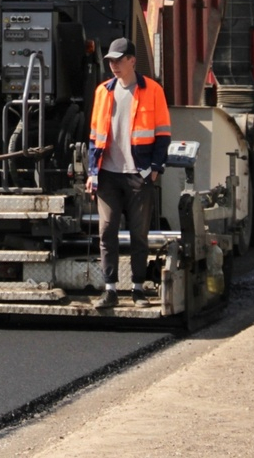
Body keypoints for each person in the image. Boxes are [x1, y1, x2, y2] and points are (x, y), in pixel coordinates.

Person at [85, 37, 172, 308]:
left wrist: (155, 170)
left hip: (139, 175)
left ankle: (137, 288)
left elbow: (163, 134)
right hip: (107, 174)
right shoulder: (103, 92)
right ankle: (109, 289)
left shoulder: (153, 91)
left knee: (139, 234)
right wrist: (92, 172)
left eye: (118, 60)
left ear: (132, 60)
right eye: (110, 60)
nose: (113, 65)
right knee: (107, 231)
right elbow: (94, 136)